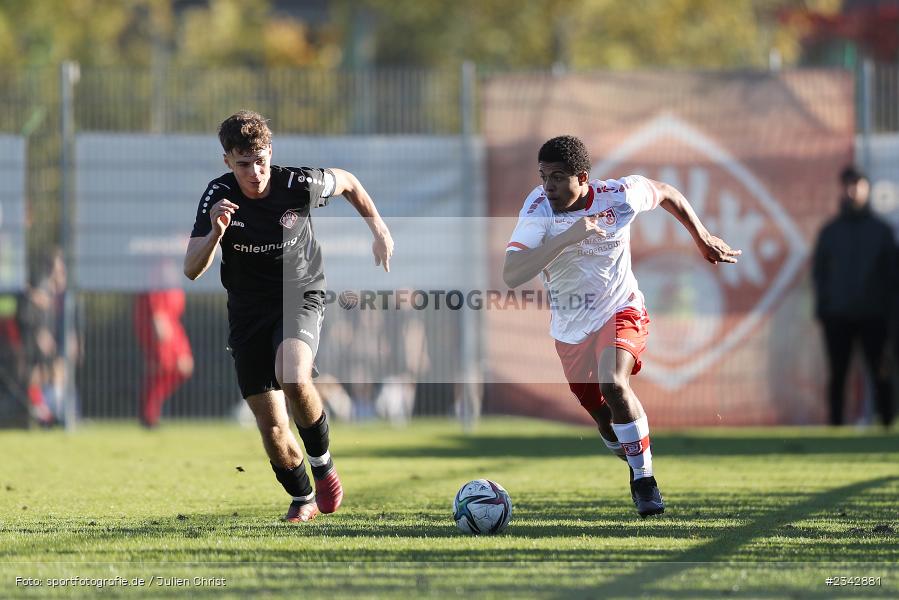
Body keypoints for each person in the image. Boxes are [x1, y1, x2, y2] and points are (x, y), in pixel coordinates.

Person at [502, 135, 740, 517]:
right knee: (605, 422)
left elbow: (665, 193)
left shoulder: (619, 195)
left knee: (613, 383)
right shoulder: (538, 209)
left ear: (582, 177)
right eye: (544, 176)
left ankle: (645, 482)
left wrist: (702, 237)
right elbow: (511, 273)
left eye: (559, 177)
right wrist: (567, 238)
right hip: (570, 327)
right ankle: (634, 462)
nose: (548, 186)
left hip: (621, 309)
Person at [184, 110, 394, 523]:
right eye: (244, 164)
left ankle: (324, 467)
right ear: (228, 161)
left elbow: (349, 181)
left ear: (270, 152)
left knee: (293, 374)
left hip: (299, 291)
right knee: (273, 428)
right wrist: (215, 235)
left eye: (261, 159)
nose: (256, 171)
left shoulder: (298, 183)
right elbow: (191, 268)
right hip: (247, 308)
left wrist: (380, 229)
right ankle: (302, 498)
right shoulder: (217, 196)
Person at [812, 165, 895, 427]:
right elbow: (819, 273)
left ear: (867, 189)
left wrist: (890, 312)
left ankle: (887, 424)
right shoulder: (830, 231)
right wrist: (824, 309)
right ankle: (836, 426)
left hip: (875, 315)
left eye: (857, 185)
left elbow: (892, 275)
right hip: (838, 316)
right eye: (848, 185)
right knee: (838, 374)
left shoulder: (882, 232)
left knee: (882, 371)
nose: (852, 191)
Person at [133, 287, 194, 428]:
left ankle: (149, 409)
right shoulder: (157, 271)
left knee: (182, 367)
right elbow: (152, 290)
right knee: (163, 367)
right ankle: (149, 413)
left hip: (171, 321)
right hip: (161, 320)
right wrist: (157, 315)